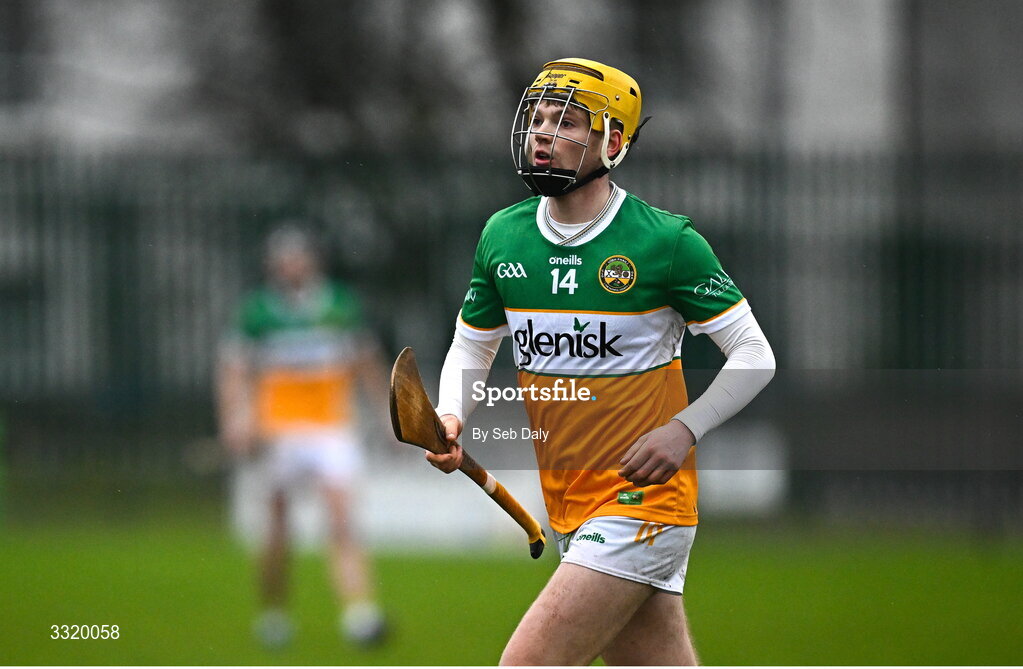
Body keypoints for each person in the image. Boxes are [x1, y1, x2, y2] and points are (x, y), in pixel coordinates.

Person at [428, 58, 775, 665]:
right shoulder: (503, 236)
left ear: (613, 142)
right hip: (570, 503)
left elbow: (755, 354)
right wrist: (451, 414)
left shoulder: (665, 244)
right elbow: (474, 344)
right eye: (537, 119)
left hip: (643, 503)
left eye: (565, 124)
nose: (542, 133)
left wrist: (682, 429)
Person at [216, 224, 388, 649]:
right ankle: (274, 613)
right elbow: (234, 371)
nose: (290, 266)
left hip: (332, 429)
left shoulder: (340, 306)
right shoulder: (257, 313)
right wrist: (235, 420)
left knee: (342, 519)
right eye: (283, 259)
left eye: (297, 258)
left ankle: (360, 613)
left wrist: (388, 416)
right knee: (277, 528)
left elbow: (367, 363)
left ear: (312, 261)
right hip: (279, 434)